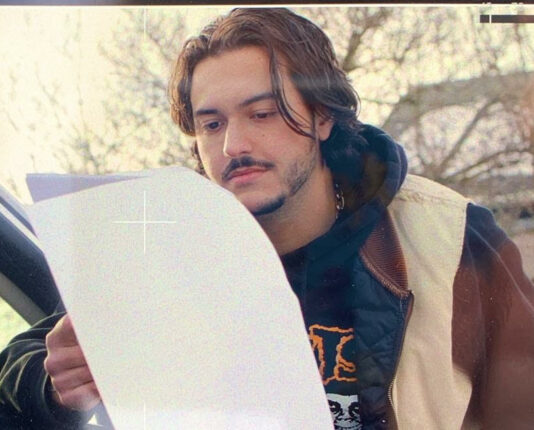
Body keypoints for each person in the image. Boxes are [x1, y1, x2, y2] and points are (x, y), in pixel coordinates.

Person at [1, 7, 533, 430]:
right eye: (211, 124)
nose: (234, 144)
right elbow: (31, 355)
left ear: (323, 116)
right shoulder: (167, 248)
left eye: (262, 113)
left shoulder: (448, 237)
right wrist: (53, 386)